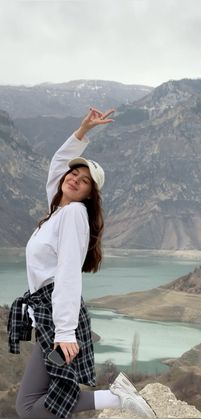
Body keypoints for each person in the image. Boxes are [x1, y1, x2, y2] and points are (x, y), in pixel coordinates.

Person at [7, 107, 156, 418]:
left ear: (90, 194)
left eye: (84, 180)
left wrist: (64, 331)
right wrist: (82, 130)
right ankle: (117, 397)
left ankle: (117, 398)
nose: (74, 179)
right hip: (48, 315)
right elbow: (57, 166)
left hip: (59, 316)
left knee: (29, 407)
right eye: (73, 174)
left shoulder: (74, 214)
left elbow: (67, 274)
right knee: (31, 403)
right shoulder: (57, 211)